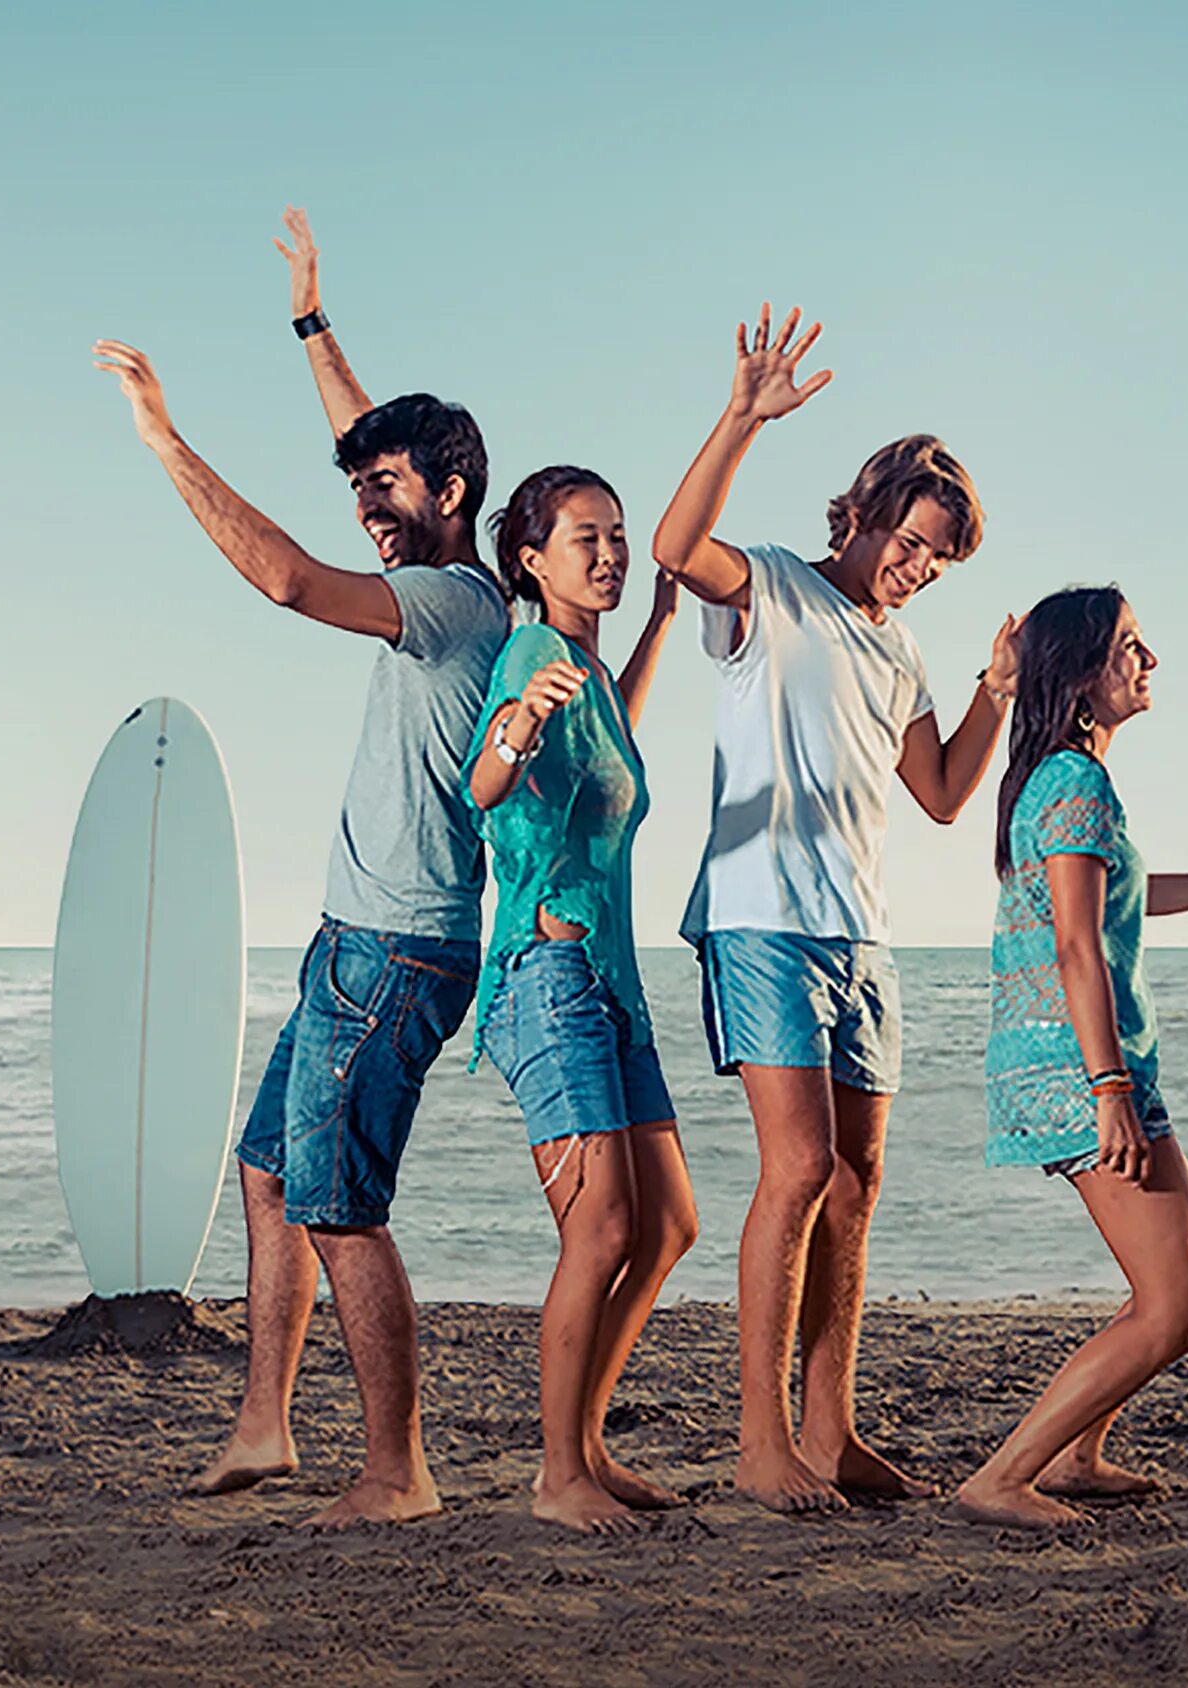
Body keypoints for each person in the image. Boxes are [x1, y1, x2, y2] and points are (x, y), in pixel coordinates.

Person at [96, 215, 506, 1526]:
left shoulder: (451, 605)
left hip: (398, 949)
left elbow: (282, 581)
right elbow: (375, 437)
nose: (365, 508)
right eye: (358, 491)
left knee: (340, 1205)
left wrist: (165, 443)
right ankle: (268, 1427)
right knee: (272, 1169)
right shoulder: (437, 556)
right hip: (356, 937)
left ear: (448, 492)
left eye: (384, 489)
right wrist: (311, 320)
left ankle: (399, 1474)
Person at [650, 305, 1022, 1513]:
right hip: (761, 914)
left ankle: (830, 1429)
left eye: (937, 561)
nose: (916, 568)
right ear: (866, 511)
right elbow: (673, 540)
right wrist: (742, 417)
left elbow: (948, 794)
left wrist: (996, 690)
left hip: (862, 932)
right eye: (911, 542)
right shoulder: (770, 587)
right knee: (797, 1166)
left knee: (858, 1180)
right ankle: (761, 1440)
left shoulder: (903, 648)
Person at [954, 587, 1188, 1528]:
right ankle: (1001, 1477)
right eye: (1130, 647)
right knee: (1173, 1307)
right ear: (1077, 676)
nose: (1149, 661)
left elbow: (1119, 902)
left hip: (1102, 1064)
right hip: (1079, 1067)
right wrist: (1107, 1086)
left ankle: (1077, 1453)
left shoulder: (1069, 781)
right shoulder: (1071, 779)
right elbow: (1076, 947)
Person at [463, 466, 701, 1532]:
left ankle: (589, 1441)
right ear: (531, 558)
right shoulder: (532, 657)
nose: (606, 553)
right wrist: (514, 722)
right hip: (546, 975)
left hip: (610, 984)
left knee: (670, 1225)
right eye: (584, 539)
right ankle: (558, 1471)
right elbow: (485, 783)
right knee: (602, 1230)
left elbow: (614, 742)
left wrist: (655, 621)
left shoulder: (587, 674)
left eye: (616, 535)